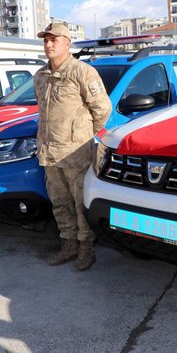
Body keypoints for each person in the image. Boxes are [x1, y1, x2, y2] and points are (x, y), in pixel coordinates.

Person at [34, 23, 112, 271]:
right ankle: (68, 245)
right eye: (46, 40)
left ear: (67, 43)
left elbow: (103, 109)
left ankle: (86, 248)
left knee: (80, 202)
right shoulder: (40, 76)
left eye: (53, 40)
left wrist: (82, 135)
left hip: (75, 152)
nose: (48, 44)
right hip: (49, 152)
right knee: (59, 201)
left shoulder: (83, 72)